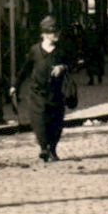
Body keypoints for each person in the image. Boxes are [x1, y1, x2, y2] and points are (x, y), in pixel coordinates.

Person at [11, 16, 71, 163]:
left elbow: (72, 64)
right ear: (43, 34)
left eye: (57, 32)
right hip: (38, 92)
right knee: (39, 120)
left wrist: (62, 67)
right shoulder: (34, 50)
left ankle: (53, 149)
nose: (56, 35)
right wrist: (15, 86)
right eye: (52, 32)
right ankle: (44, 148)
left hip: (56, 93)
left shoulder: (61, 50)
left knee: (56, 123)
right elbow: (25, 69)